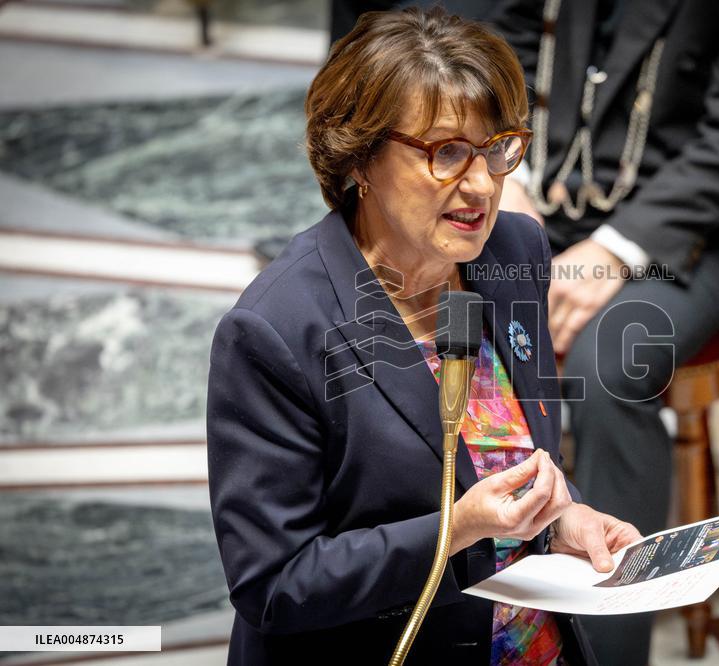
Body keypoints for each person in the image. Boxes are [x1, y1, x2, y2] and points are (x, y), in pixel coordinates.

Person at [206, 8, 641, 665]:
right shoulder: (275, 330)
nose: (481, 185)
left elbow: (512, 456)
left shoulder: (512, 253)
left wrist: (563, 517)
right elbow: (274, 586)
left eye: (497, 149)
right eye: (446, 153)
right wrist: (457, 530)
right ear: (360, 158)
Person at [490, 1, 719, 663]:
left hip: (707, 226)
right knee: (432, 313)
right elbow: (495, 43)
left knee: (607, 366)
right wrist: (501, 172)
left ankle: (608, 650)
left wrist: (617, 249)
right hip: (552, 193)